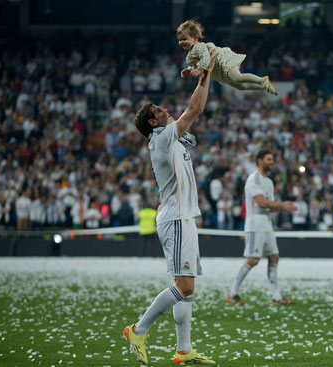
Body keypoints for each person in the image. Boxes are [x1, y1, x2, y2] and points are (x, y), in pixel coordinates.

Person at [123, 46, 218, 366]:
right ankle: (138, 328)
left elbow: (196, 108)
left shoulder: (169, 137)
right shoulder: (161, 137)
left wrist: (205, 75)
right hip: (175, 218)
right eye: (161, 110)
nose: (167, 110)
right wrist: (206, 72)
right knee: (185, 284)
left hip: (183, 217)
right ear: (154, 121)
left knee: (187, 288)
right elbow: (194, 109)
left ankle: (183, 350)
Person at [227, 149, 297, 306]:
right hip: (255, 224)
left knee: (274, 257)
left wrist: (283, 207)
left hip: (266, 223)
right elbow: (261, 202)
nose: (272, 162)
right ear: (259, 161)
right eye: (268, 159)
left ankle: (277, 297)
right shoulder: (254, 179)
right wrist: (282, 205)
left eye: (272, 160)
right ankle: (233, 293)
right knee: (253, 260)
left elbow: (270, 207)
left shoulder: (269, 182)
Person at [177, 20, 278, 95]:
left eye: (184, 39)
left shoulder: (199, 47)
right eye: (180, 40)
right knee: (241, 87)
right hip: (219, 71)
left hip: (223, 61)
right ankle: (264, 87)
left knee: (238, 78)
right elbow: (194, 65)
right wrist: (189, 70)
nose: (181, 42)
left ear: (195, 38)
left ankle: (262, 80)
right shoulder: (189, 57)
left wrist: (199, 69)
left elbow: (206, 59)